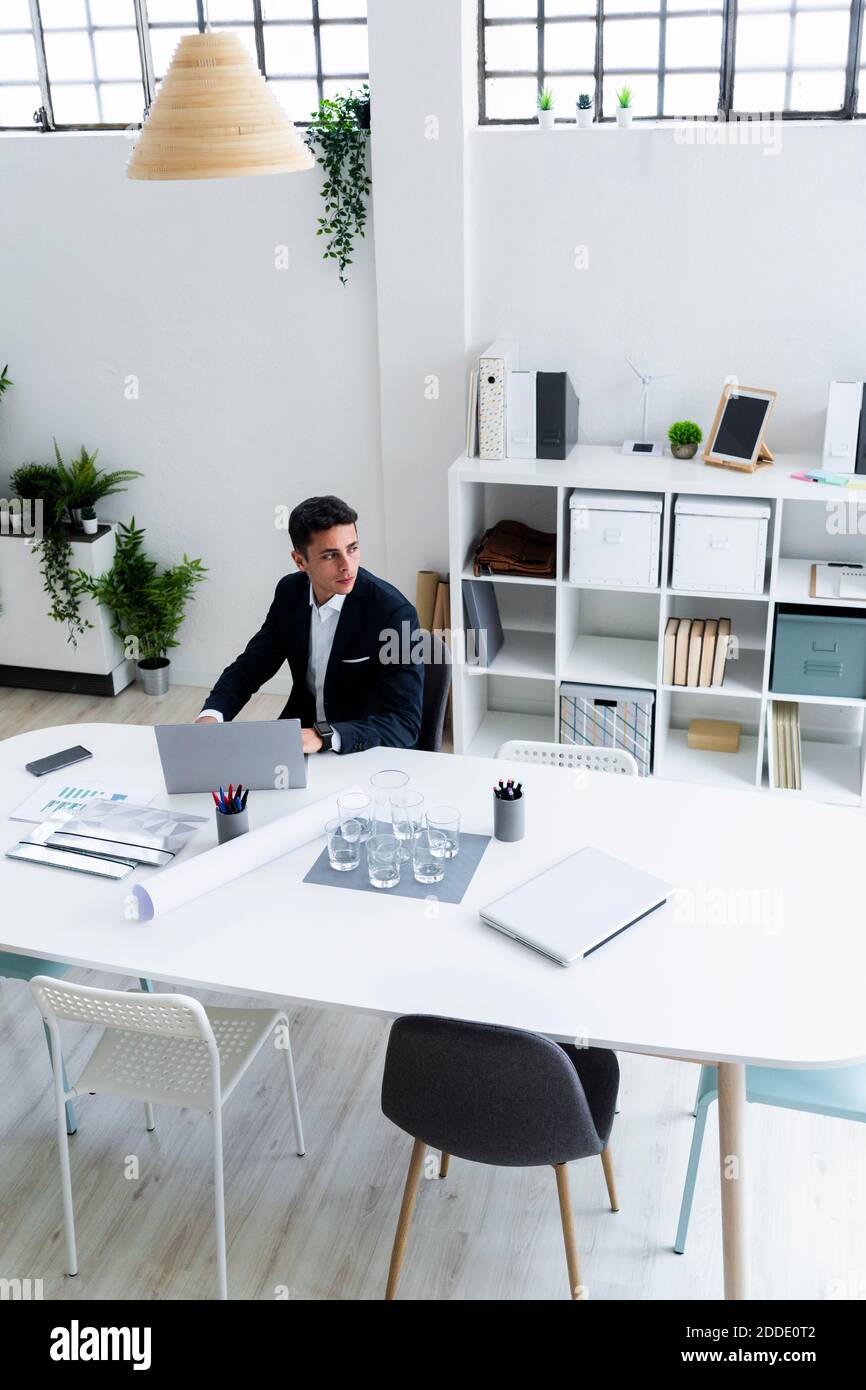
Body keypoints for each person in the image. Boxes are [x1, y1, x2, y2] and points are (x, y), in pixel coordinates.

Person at [196, 496, 423, 755]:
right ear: (300, 561)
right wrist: (212, 715)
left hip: (365, 747)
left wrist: (326, 737)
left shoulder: (394, 613)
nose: (347, 566)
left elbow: (405, 723)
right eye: (330, 555)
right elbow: (250, 668)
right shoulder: (289, 593)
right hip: (300, 736)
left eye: (352, 548)